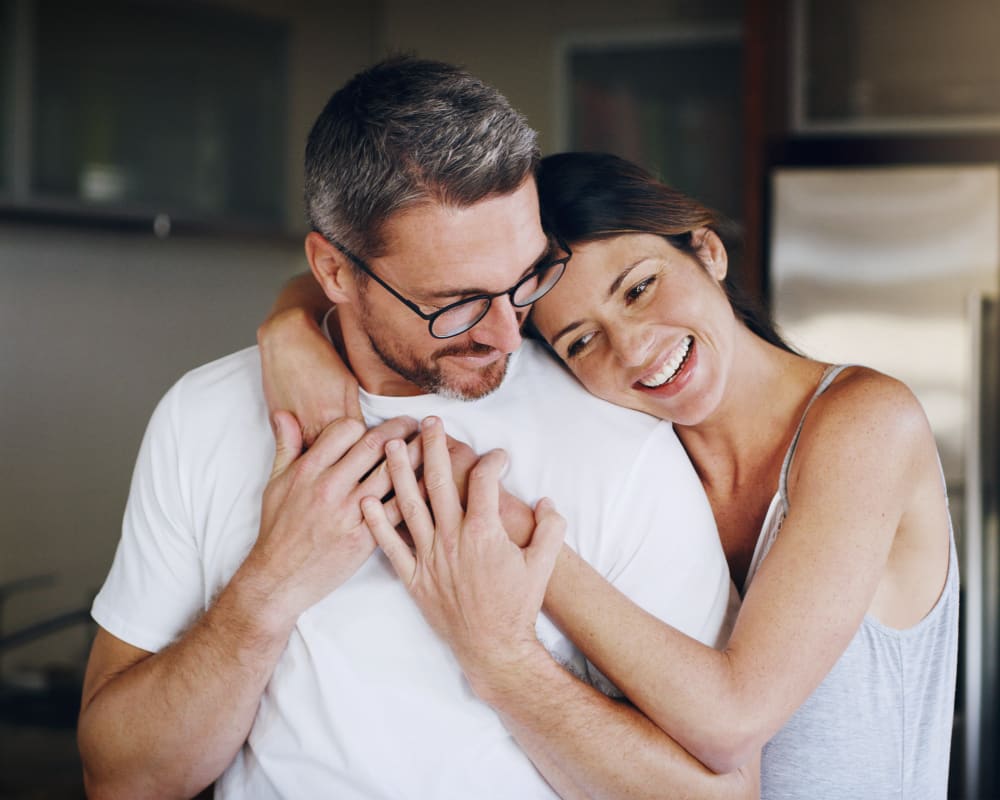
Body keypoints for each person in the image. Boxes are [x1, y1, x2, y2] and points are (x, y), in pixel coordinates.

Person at [77, 59, 752, 798]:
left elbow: (719, 794)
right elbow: (120, 780)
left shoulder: (620, 428)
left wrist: (504, 660)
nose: (505, 333)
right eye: (455, 302)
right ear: (333, 272)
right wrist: (269, 588)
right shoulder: (203, 414)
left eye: (526, 278)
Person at [264, 151, 959, 799]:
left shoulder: (865, 424)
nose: (633, 348)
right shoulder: (647, 456)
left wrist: (512, 535)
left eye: (639, 288)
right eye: (581, 340)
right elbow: (363, 280)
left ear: (707, 249)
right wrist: (293, 324)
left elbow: (732, 721)